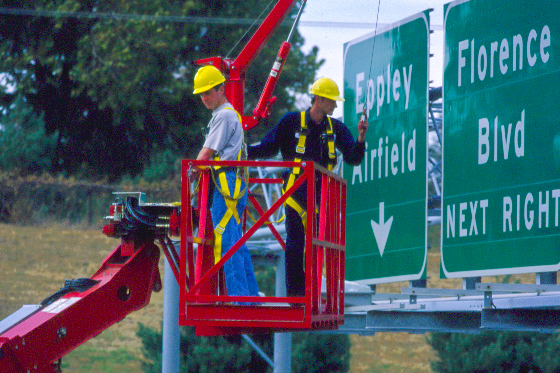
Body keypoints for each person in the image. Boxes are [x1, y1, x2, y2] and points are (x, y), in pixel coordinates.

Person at [247, 77, 368, 298]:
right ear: (319, 100)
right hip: (297, 195)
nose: (335, 106)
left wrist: (361, 137)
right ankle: (296, 296)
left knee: (318, 246)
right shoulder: (291, 122)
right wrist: (241, 151)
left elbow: (353, 158)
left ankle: (311, 292)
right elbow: (267, 148)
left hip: (323, 197)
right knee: (295, 244)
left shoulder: (336, 129)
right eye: (332, 101)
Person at [190, 65, 260, 301]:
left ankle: (240, 298)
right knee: (235, 239)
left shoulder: (224, 115)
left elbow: (206, 153)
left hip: (225, 182)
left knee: (227, 239)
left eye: (208, 92)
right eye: (201, 94)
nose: (204, 98)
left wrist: (192, 172)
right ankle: (248, 294)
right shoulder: (229, 114)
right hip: (231, 181)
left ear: (222, 89)